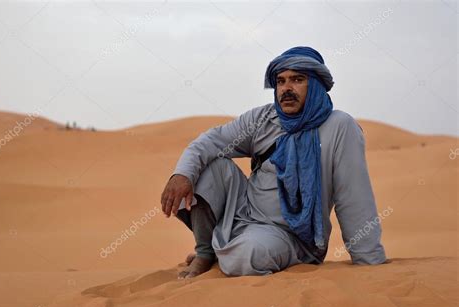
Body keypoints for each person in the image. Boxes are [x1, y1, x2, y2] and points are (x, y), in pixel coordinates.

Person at [160, 46, 386, 279]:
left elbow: (353, 197)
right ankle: (206, 252)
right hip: (243, 214)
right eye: (280, 81)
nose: (286, 89)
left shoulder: (339, 127)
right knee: (203, 166)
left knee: (245, 256)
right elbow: (210, 141)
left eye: (297, 80)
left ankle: (228, 252)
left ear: (317, 84)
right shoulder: (263, 119)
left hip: (290, 235)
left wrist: (368, 261)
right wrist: (182, 174)